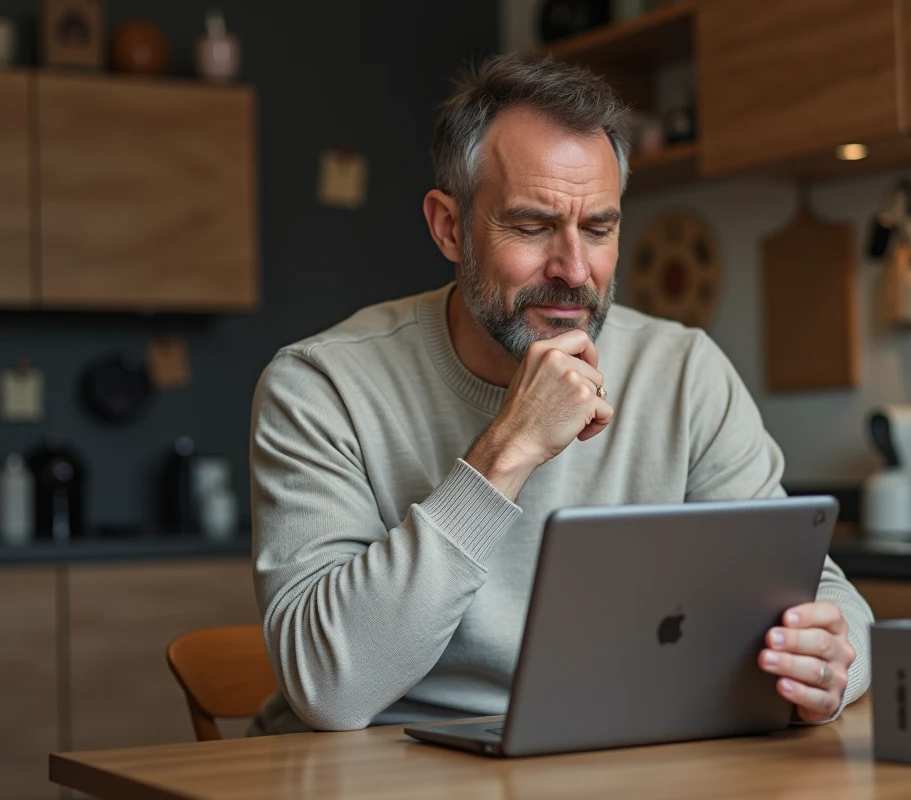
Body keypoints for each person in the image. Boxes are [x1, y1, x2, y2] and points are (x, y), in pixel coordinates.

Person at [248, 53, 873, 736]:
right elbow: (329, 689)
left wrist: (833, 666)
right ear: (449, 227)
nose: (574, 269)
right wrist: (508, 452)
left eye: (598, 228)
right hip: (386, 767)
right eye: (533, 225)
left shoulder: (684, 372)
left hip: (613, 757)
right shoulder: (319, 386)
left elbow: (827, 596)